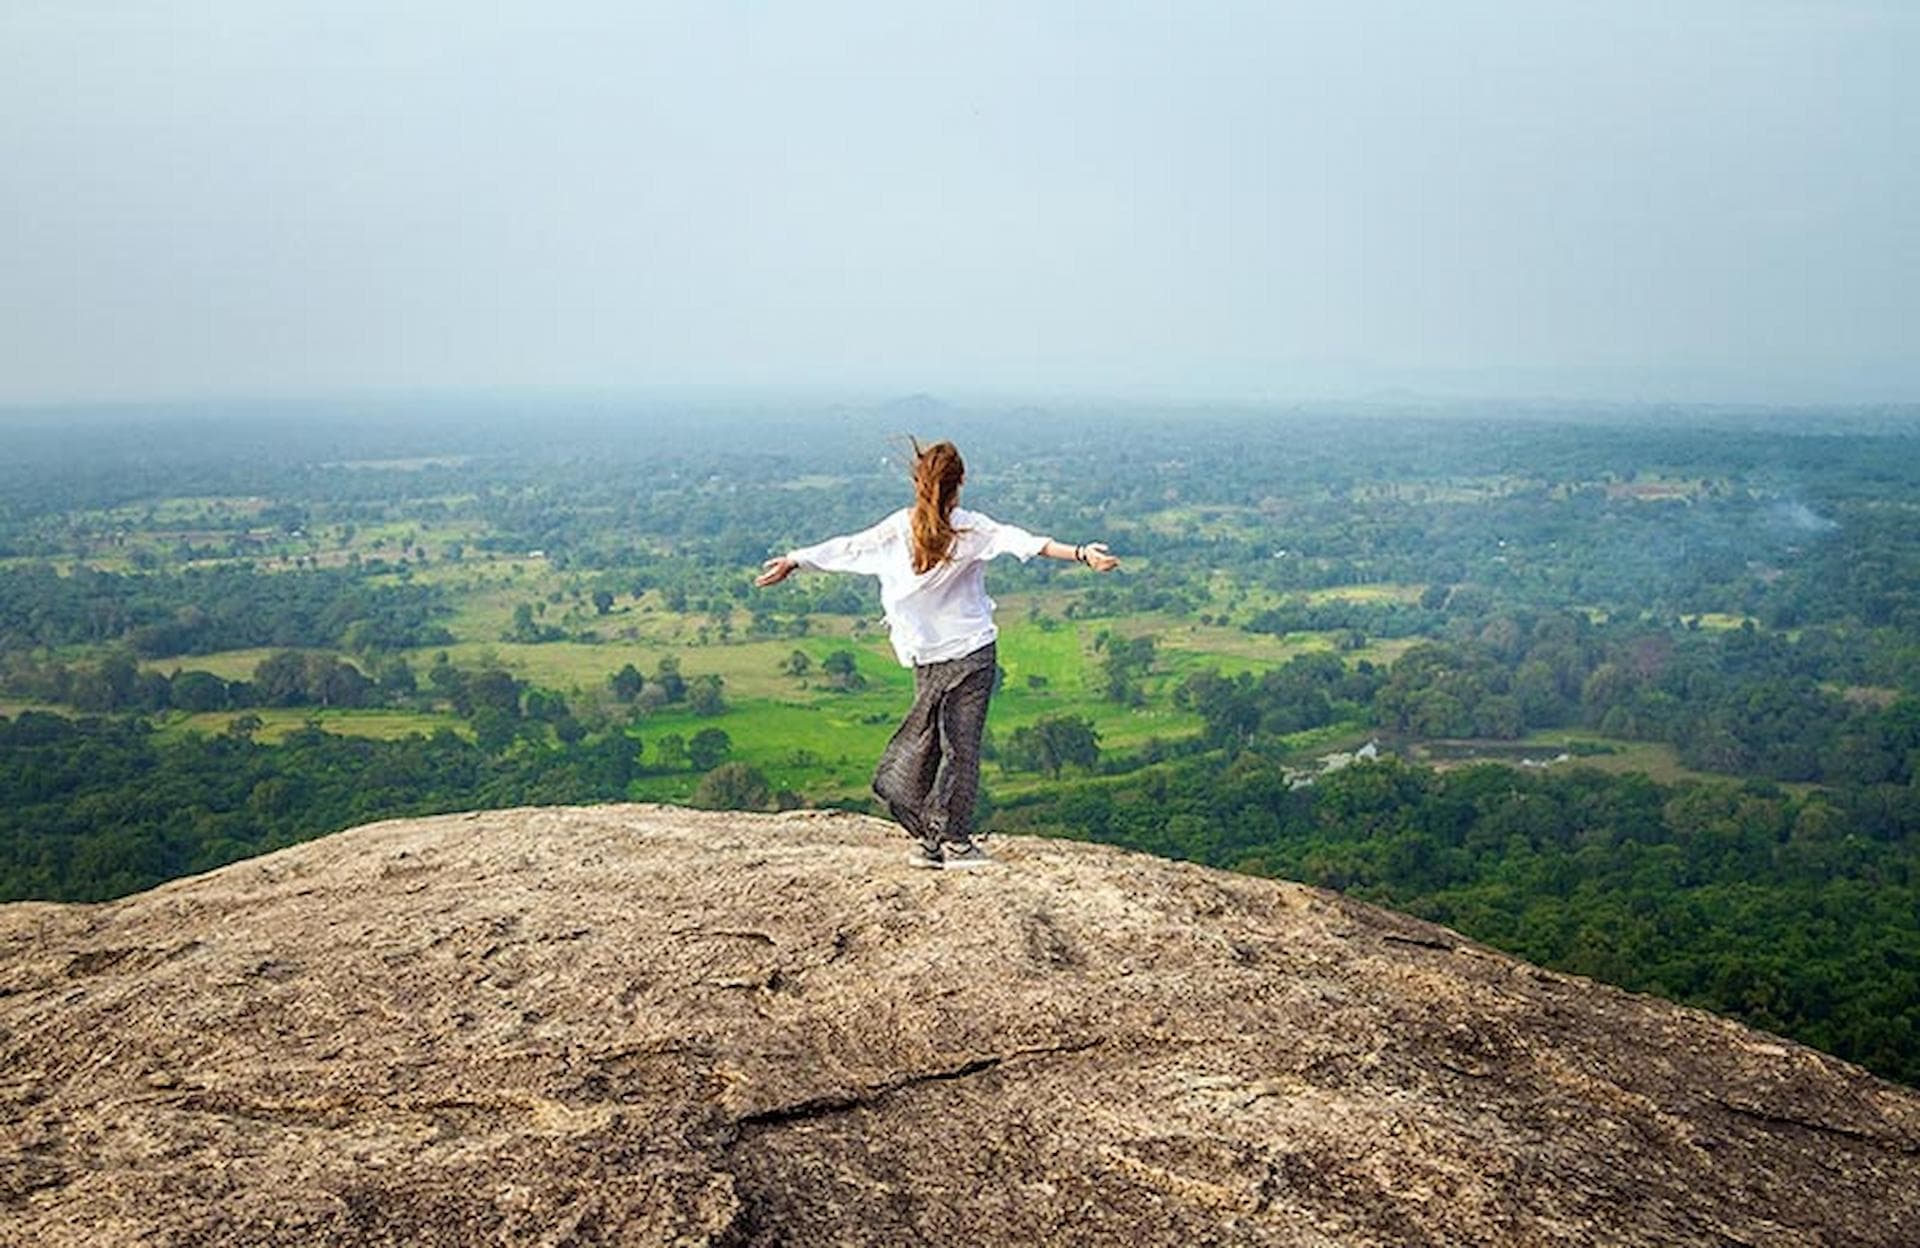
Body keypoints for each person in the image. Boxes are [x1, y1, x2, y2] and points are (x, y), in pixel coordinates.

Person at [754, 439, 1119, 869]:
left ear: (918, 481)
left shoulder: (899, 527)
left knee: (928, 740)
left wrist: (795, 561)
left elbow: (850, 548)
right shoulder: (969, 527)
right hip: (972, 652)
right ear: (959, 483)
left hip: (926, 655)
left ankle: (928, 843)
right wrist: (1083, 554)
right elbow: (1027, 543)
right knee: (960, 748)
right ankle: (956, 843)